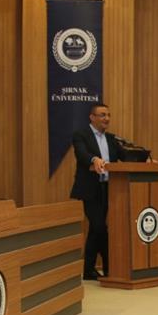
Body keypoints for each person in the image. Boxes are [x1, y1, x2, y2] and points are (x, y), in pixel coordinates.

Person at [70, 103, 124, 280]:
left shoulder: (112, 139)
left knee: (96, 228)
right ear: (92, 117)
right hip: (90, 189)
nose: (106, 118)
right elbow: (82, 154)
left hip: (108, 188)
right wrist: (94, 159)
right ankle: (108, 267)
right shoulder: (81, 135)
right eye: (102, 115)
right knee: (99, 226)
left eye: (108, 115)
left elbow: (126, 155)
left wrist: (146, 160)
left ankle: (90, 270)